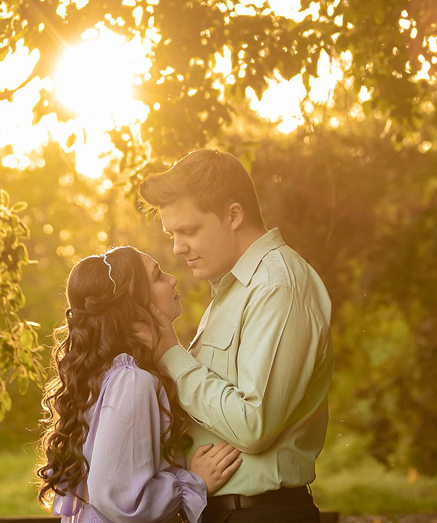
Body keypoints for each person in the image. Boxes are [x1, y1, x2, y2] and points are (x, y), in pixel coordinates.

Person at [139, 149, 334, 523]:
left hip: (261, 515)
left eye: (189, 230)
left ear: (233, 215)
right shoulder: (235, 289)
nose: (178, 247)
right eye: (172, 234)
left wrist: (171, 354)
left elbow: (253, 424)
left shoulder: (277, 287)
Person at [37, 246, 243, 523]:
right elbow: (123, 499)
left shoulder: (108, 374)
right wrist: (195, 481)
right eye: (158, 276)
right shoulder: (133, 381)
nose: (173, 279)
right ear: (134, 304)